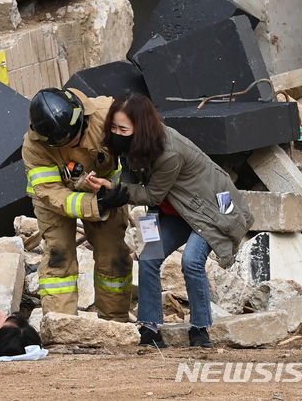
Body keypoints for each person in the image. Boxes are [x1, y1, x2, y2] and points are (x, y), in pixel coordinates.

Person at [83, 92, 254, 348]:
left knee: (191, 261)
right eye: (114, 127)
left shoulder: (169, 152)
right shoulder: (132, 146)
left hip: (207, 211)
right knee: (149, 257)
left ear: (140, 128)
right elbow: (130, 182)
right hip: (175, 210)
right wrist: (110, 187)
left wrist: (115, 189)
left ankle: (200, 329)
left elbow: (152, 194)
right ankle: (150, 328)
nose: (117, 133)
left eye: (123, 129)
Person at [22, 88, 133, 321]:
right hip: (53, 201)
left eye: (77, 136)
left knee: (114, 255)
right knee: (58, 256)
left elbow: (138, 148)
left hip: (108, 192)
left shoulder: (107, 114)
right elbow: (52, 194)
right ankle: (60, 327)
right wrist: (96, 204)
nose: (74, 143)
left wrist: (123, 189)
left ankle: (115, 322)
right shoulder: (34, 147)